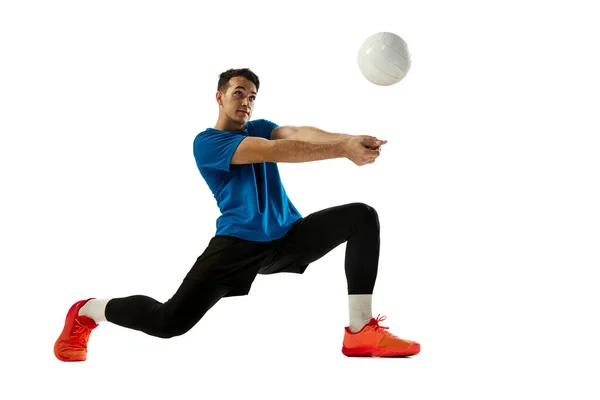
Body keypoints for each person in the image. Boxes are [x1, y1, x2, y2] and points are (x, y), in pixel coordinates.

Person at [54, 68, 420, 361]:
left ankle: (360, 333)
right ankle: (89, 310)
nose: (246, 101)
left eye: (252, 96)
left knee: (361, 215)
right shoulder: (208, 143)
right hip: (237, 247)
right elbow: (272, 151)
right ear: (220, 96)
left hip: (287, 237)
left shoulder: (260, 127)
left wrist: (349, 138)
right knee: (167, 323)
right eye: (239, 93)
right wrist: (342, 150)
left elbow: (297, 132)